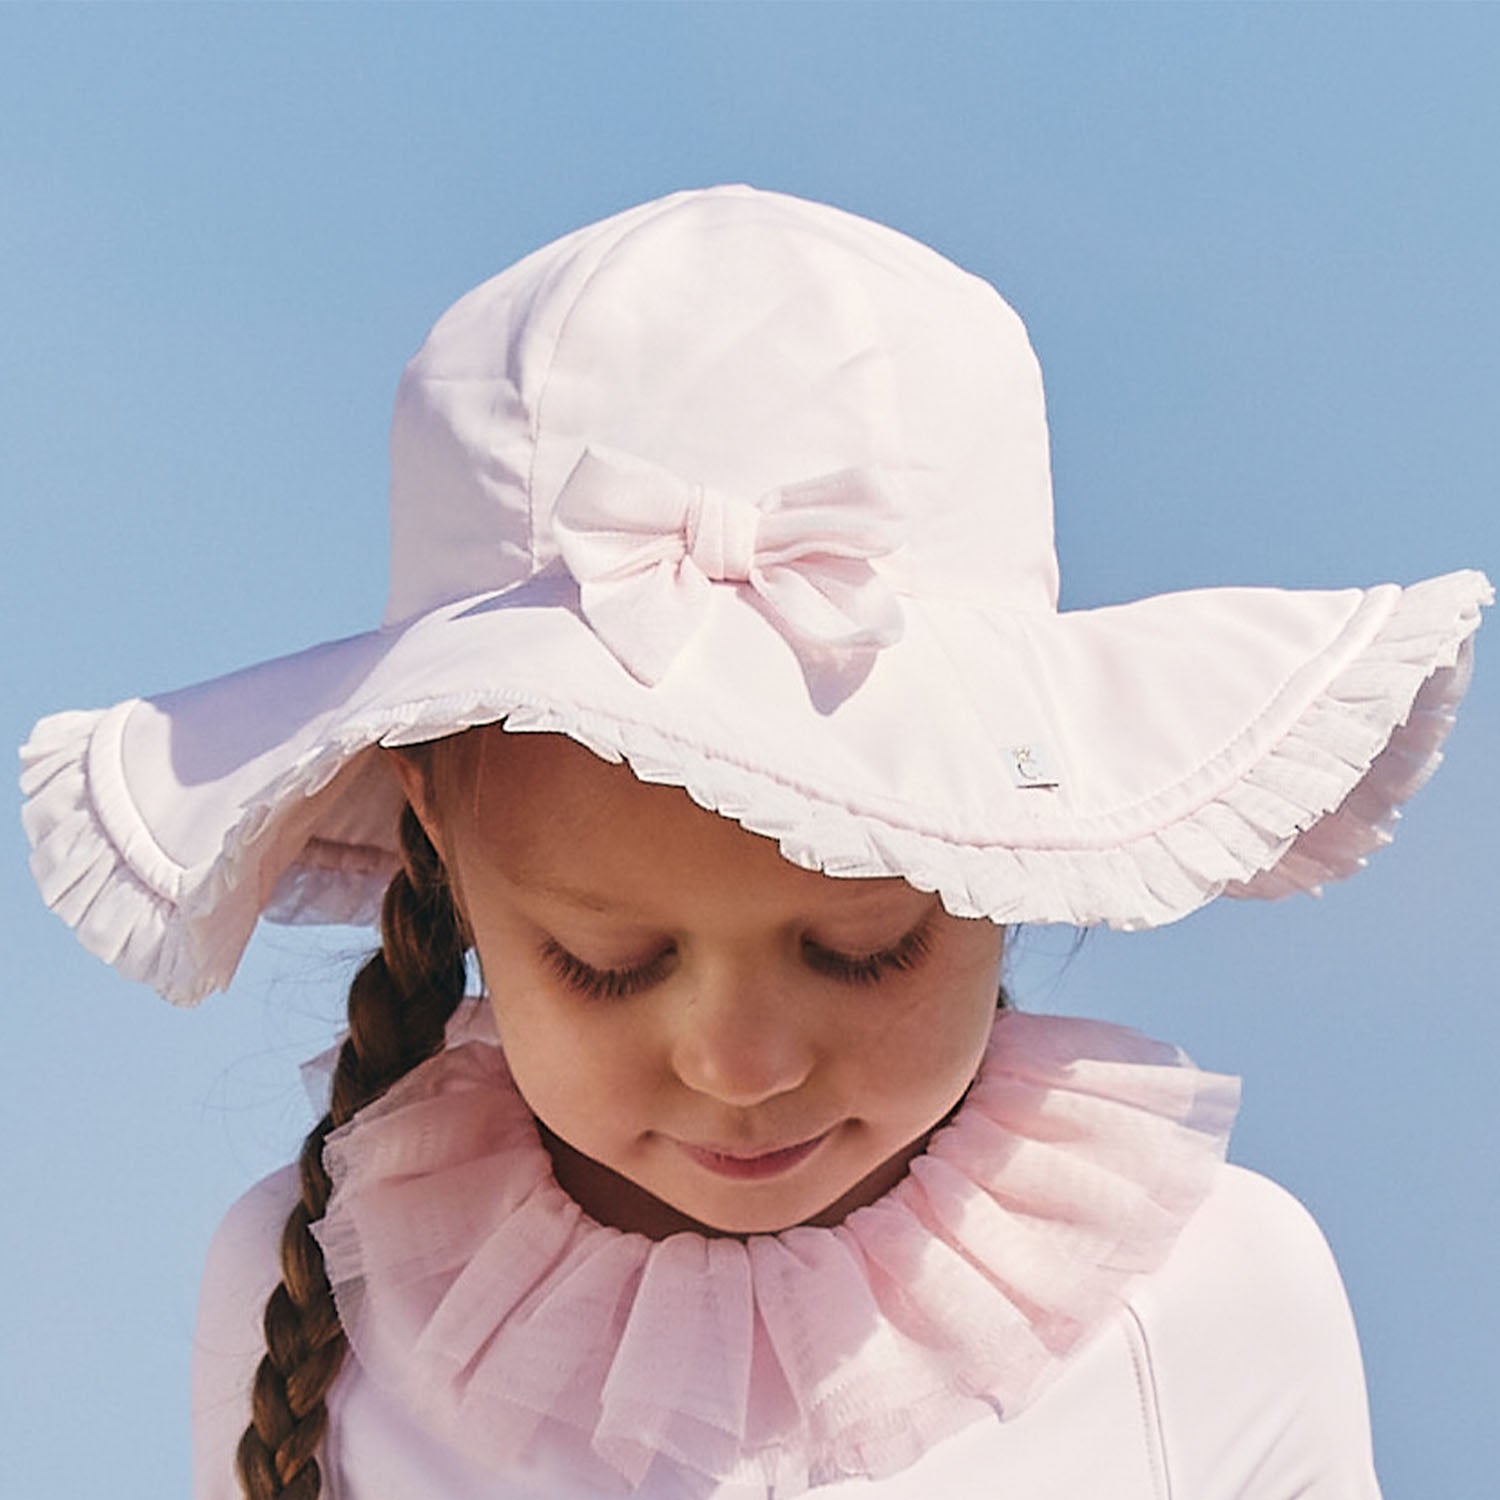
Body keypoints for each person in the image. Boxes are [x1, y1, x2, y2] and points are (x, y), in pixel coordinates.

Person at [19, 185, 1489, 1500]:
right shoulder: (325, 1285)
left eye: (862, 950)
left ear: (1008, 857)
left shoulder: (1216, 1296)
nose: (741, 1065)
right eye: (608, 963)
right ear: (438, 843)